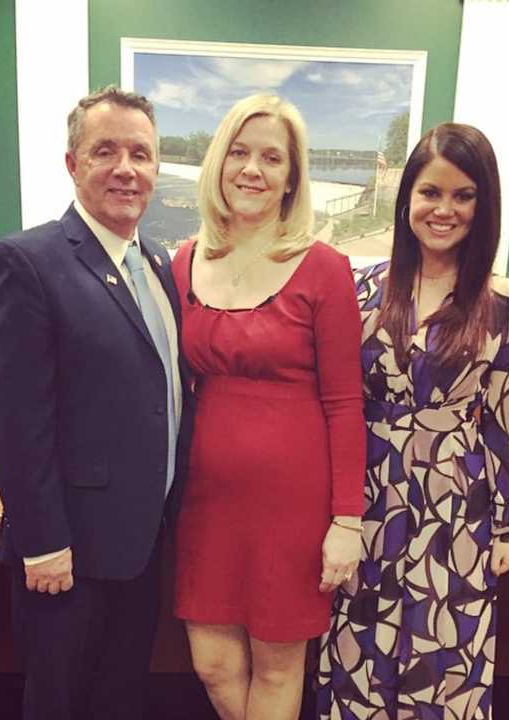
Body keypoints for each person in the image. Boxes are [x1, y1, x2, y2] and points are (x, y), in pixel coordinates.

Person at [0, 85, 193, 720]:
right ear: (73, 163)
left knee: (119, 698)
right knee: (61, 703)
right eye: (106, 151)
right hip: (68, 552)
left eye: (141, 154)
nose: (126, 169)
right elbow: (14, 419)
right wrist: (43, 542)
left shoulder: (155, 261)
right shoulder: (28, 260)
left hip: (140, 544)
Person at [318, 123, 509, 719]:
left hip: (455, 505)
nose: (444, 209)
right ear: (406, 199)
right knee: (357, 650)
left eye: (463, 195)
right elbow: (335, 403)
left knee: (445, 652)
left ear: (483, 204)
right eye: (430, 192)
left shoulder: (506, 304)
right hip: (367, 496)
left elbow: (503, 416)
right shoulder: (360, 290)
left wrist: (508, 524)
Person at [170, 94, 366, 720]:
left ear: (291, 178)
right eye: (239, 151)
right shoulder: (181, 262)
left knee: (279, 666)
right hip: (205, 500)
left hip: (294, 506)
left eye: (271, 157)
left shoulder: (325, 269)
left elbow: (344, 403)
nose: (252, 169)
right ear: (219, 162)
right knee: (213, 663)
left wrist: (347, 521)